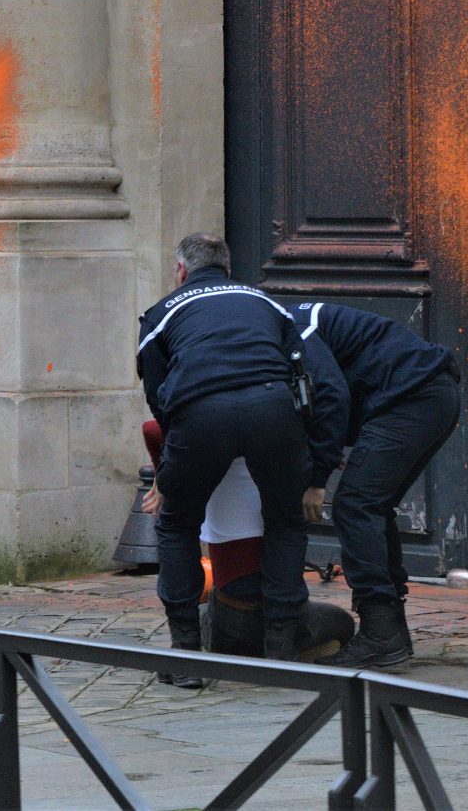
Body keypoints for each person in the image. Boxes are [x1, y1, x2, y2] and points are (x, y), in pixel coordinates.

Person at [138, 233, 347, 675]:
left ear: (181, 271)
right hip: (272, 409)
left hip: (200, 415)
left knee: (177, 523)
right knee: (285, 522)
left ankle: (185, 657)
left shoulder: (161, 313)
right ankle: (282, 651)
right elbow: (300, 367)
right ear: (228, 270)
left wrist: (175, 458)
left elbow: (157, 392)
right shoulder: (266, 302)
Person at [291, 301, 461, 667]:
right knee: (371, 508)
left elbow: (332, 393)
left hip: (413, 397)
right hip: (425, 393)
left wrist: (318, 477)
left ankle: (380, 635)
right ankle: (393, 633)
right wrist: (325, 443)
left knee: (355, 506)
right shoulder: (287, 325)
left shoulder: (290, 326)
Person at [139, 421, 353, 663]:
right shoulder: (283, 435)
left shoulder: (201, 440)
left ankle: (195, 648)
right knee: (341, 622)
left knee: (204, 608)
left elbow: (151, 429)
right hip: (284, 615)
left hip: (230, 616)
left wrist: (163, 476)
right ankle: (282, 649)